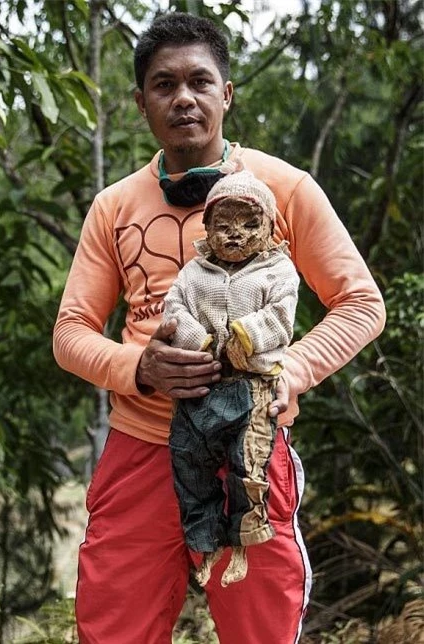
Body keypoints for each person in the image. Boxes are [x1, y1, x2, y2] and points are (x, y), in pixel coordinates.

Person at [52, 12, 385, 644]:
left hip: (250, 446)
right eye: (163, 84)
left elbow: (361, 303)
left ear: (226, 94)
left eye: (200, 81)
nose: (183, 97)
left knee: (262, 629)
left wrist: (292, 369)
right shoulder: (114, 206)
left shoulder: (285, 189)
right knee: (113, 630)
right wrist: (138, 367)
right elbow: (71, 332)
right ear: (142, 102)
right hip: (141, 446)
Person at [163, 171, 299, 588]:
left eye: (248, 224)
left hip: (252, 385)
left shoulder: (278, 270)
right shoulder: (193, 272)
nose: (234, 235)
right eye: (222, 226)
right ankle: (206, 544)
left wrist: (246, 336)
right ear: (206, 228)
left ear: (269, 227)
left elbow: (281, 317)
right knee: (188, 458)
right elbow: (173, 310)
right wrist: (196, 339)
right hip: (200, 385)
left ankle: (242, 542)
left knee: (247, 464)